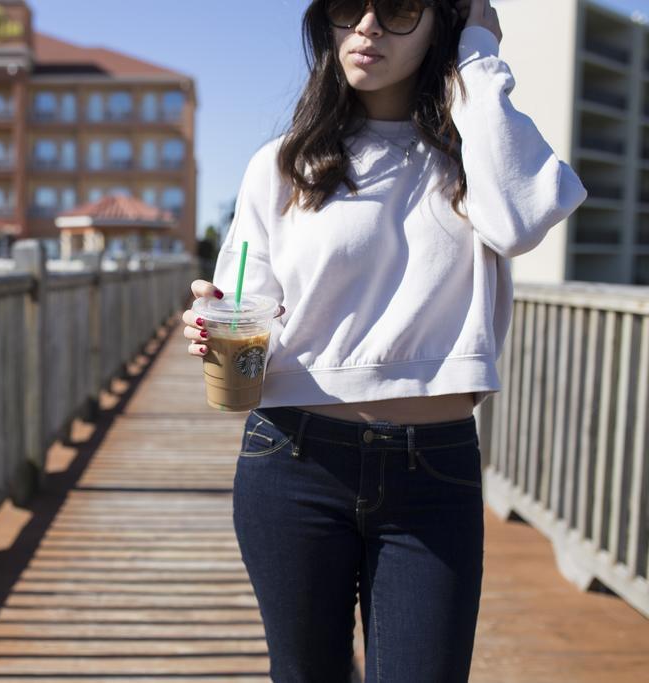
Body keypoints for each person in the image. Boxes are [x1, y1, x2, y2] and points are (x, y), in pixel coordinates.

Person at [181, 0, 587, 681]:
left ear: (442, 27)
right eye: (348, 6)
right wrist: (219, 323)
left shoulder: (477, 157)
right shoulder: (281, 164)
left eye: (398, 9)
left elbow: (519, 220)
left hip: (433, 469)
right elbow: (254, 309)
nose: (367, 26)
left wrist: (480, 49)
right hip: (293, 458)